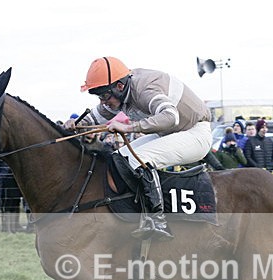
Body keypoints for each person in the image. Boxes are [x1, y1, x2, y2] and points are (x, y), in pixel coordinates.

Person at [65, 56, 213, 241]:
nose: (103, 102)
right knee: (119, 157)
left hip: (196, 133)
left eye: (104, 95)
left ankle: (157, 221)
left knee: (137, 159)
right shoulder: (119, 91)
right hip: (171, 133)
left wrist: (129, 128)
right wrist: (75, 123)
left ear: (119, 86)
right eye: (99, 97)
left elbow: (170, 116)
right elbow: (94, 118)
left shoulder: (144, 89)